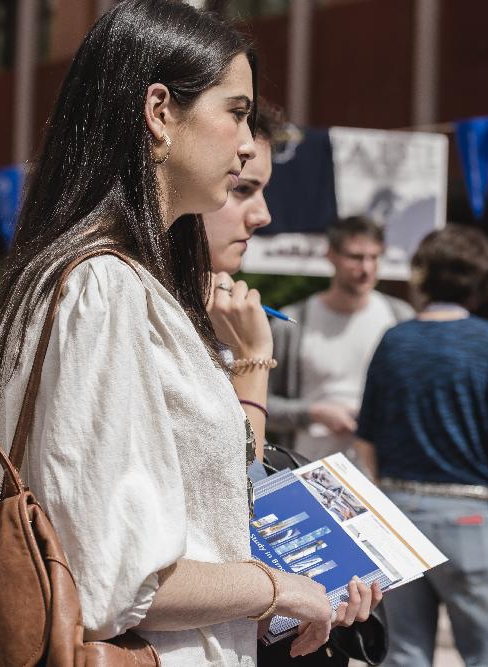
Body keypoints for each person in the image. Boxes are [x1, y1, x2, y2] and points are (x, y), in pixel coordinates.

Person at [0, 3, 370, 665]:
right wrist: (281, 587)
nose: (246, 143)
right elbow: (111, 574)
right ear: (159, 111)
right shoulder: (104, 286)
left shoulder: (101, 277)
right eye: (236, 111)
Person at [199, 101, 383, 665]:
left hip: (338, 492)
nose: (262, 216)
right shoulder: (276, 321)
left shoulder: (393, 318)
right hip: (271, 520)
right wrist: (256, 361)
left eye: (375, 257)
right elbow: (239, 480)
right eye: (241, 188)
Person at [354, 225, 488, 667]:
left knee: (404, 652)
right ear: (483, 279)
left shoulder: (395, 340)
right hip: (470, 514)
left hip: (399, 512)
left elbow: (366, 439)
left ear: (424, 276)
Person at [267, 216, 413, 462]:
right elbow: (260, 404)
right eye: (355, 257)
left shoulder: (400, 317)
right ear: (331, 255)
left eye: (374, 257)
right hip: (310, 466)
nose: (366, 268)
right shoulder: (293, 322)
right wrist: (314, 413)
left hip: (381, 472)